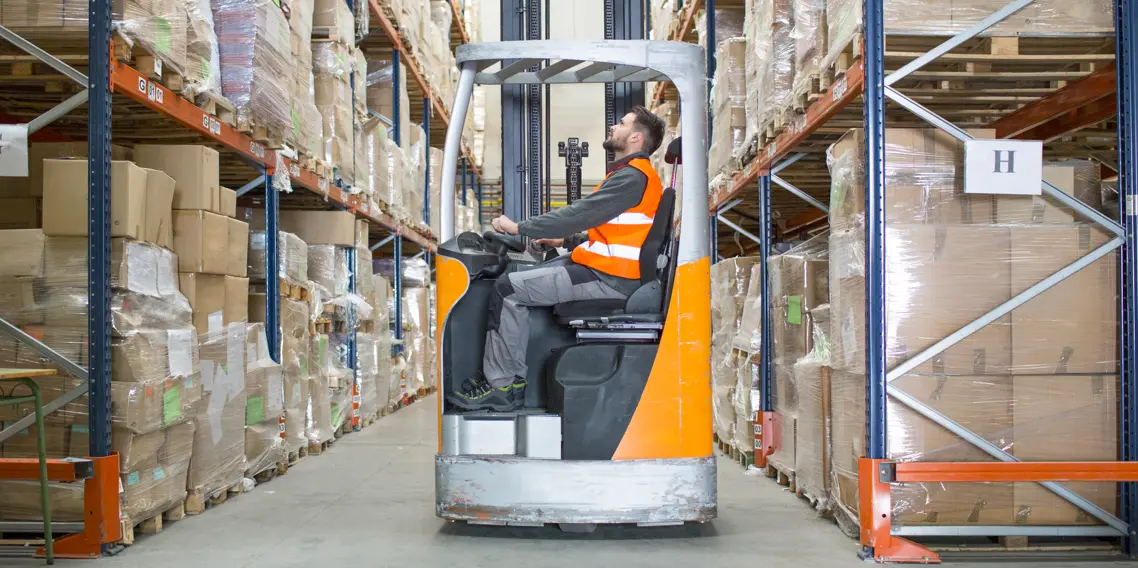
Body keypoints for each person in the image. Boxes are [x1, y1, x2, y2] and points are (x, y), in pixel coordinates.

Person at [447, 105, 668, 411]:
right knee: (520, 279)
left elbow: (578, 214)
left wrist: (519, 228)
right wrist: (565, 241)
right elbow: (613, 231)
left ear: (636, 138)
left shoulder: (632, 177)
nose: (613, 127)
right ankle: (510, 381)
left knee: (507, 288)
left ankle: (502, 387)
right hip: (605, 270)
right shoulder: (630, 176)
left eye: (622, 124)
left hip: (609, 279)